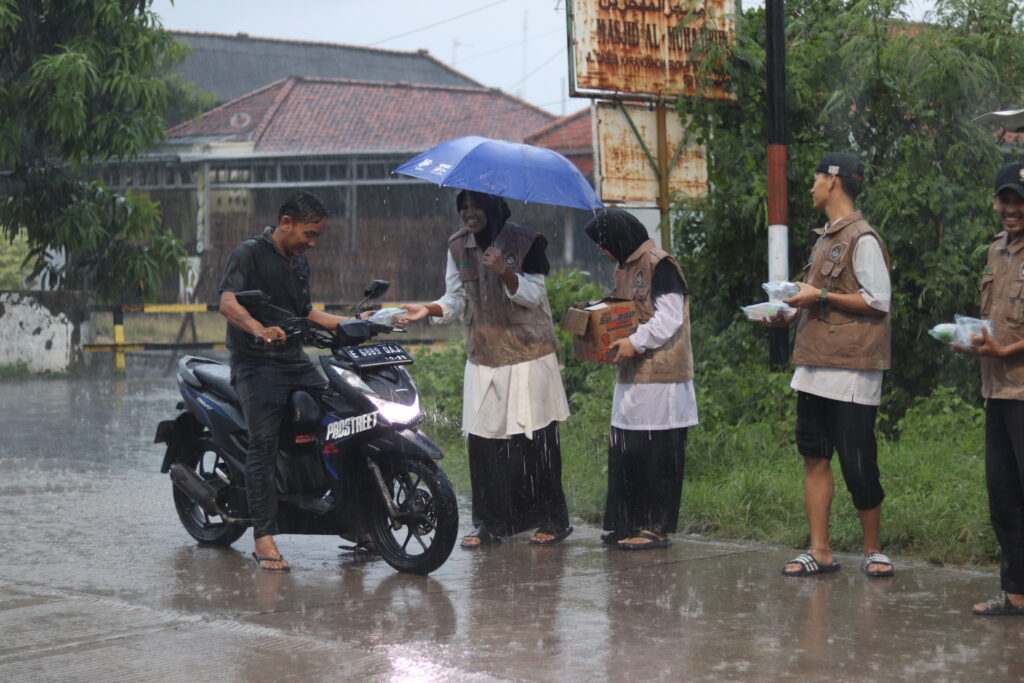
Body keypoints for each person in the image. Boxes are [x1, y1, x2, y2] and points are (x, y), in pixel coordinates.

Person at [397, 190, 572, 548]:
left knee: (535, 441)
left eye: (476, 206)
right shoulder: (458, 246)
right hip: (484, 355)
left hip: (528, 355)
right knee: (484, 443)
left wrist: (505, 272)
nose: (468, 213)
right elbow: (456, 299)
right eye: (463, 207)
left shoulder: (526, 242)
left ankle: (552, 520)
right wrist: (428, 310)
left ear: (493, 208)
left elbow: (535, 296)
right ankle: (491, 524)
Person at [763, 152, 895, 578]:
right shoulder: (824, 239)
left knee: (858, 462)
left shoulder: (864, 238)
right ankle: (819, 550)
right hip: (814, 366)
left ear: (834, 181)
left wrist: (817, 297)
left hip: (853, 370)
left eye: (816, 178)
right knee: (814, 457)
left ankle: (873, 550)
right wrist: (789, 309)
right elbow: (816, 297)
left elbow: (878, 301)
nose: (812, 186)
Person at [218, 191, 357, 571]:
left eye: (316, 237)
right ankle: (263, 536)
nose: (311, 243)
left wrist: (353, 323)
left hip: (294, 360)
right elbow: (228, 302)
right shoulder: (249, 253)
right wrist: (257, 329)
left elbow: (306, 312)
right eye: (308, 235)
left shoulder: (299, 263)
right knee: (262, 445)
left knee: (343, 418)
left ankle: (354, 516)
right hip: (255, 364)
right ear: (286, 223)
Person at [583, 209, 698, 550]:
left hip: (662, 375)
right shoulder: (625, 266)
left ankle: (655, 526)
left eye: (604, 244)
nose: (603, 251)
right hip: (632, 374)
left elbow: (669, 317)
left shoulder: (659, 264)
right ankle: (625, 522)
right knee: (627, 449)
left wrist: (633, 342)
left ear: (618, 238)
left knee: (658, 452)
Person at [954, 162, 1024, 616]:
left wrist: (1008, 350)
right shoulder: (995, 250)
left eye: (1019, 199)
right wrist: (973, 341)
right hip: (996, 390)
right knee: (1003, 496)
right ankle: (1016, 592)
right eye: (1005, 199)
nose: (1011, 208)